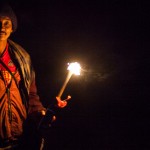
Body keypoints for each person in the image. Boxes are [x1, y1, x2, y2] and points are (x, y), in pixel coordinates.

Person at [0, 2, 70, 150]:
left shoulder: (22, 58)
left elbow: (31, 95)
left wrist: (41, 113)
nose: (2, 27)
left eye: (7, 23)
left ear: (12, 27)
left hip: (16, 139)